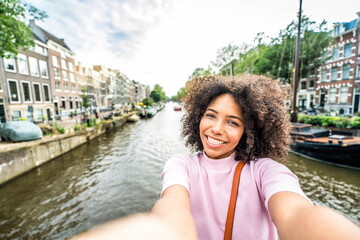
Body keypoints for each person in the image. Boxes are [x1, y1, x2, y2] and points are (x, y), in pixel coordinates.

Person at [74, 75, 360, 240]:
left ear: (250, 130)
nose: (216, 129)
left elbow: (297, 214)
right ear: (198, 117)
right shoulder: (180, 166)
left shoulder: (267, 171)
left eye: (233, 122)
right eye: (210, 115)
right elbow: (173, 207)